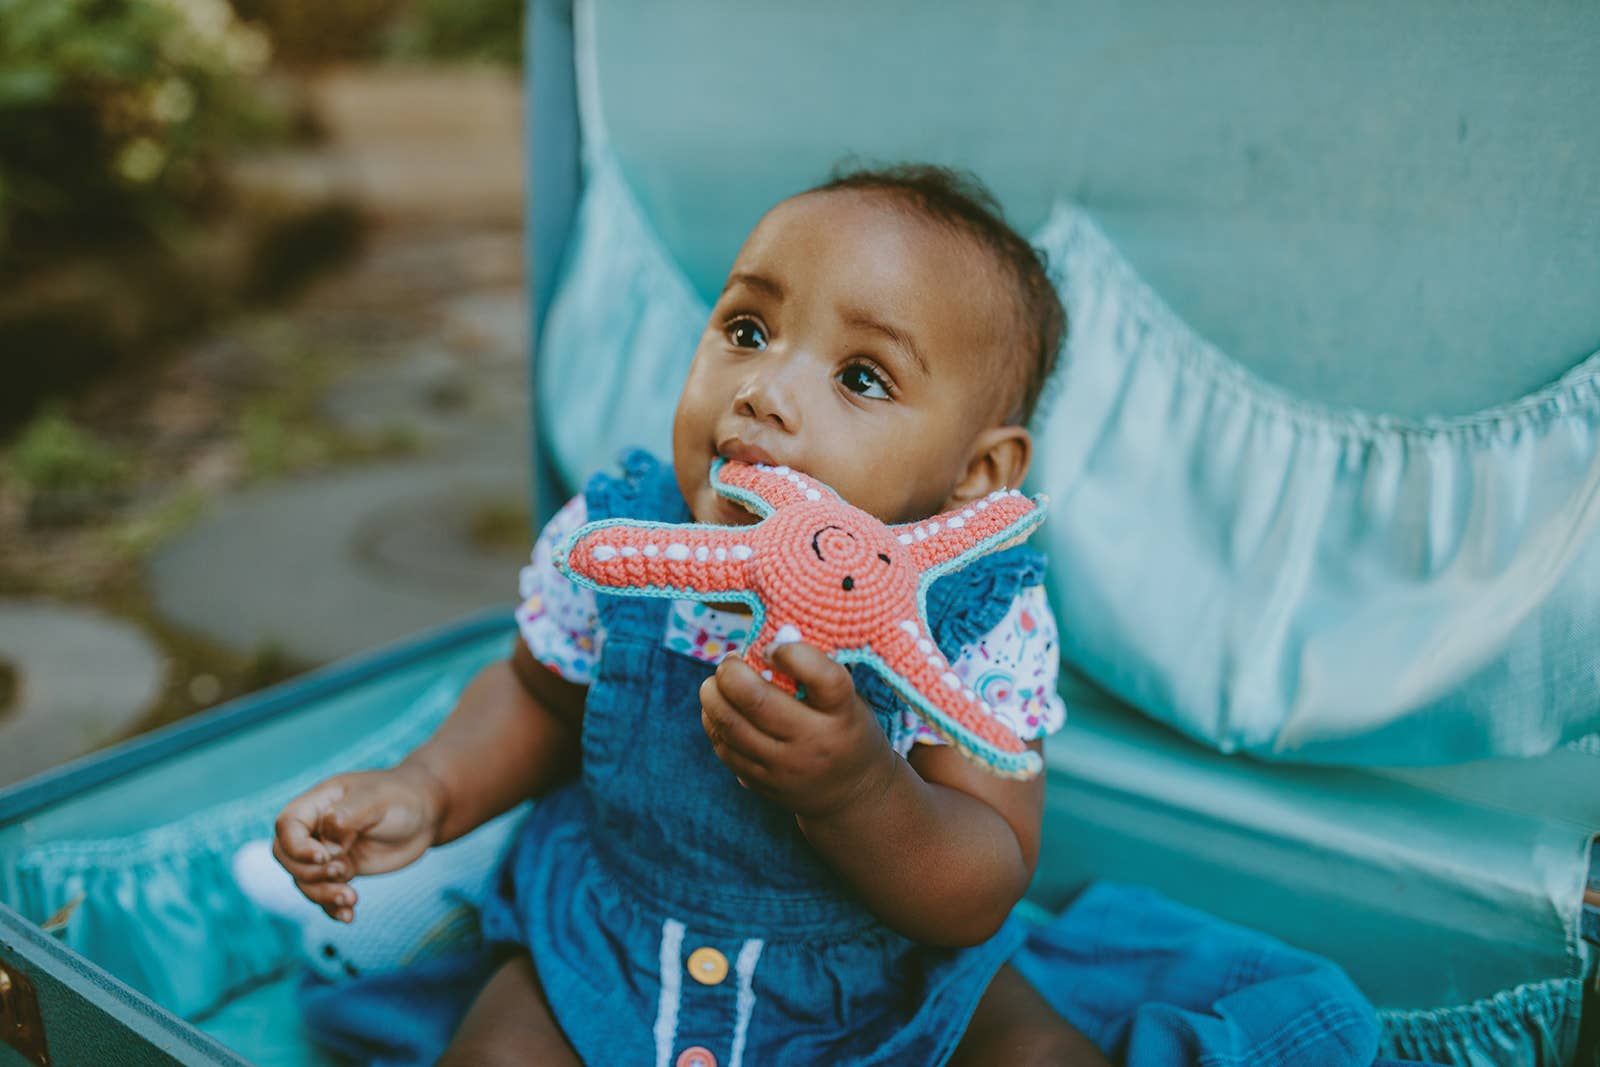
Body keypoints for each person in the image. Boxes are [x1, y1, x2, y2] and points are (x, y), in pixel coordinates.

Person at [272, 164, 1108, 1066]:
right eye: (747, 329)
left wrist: (859, 788)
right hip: (613, 942)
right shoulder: (621, 537)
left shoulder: (977, 616)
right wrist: (426, 788)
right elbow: (536, 698)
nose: (763, 391)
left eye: (862, 377)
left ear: (975, 478)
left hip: (884, 981)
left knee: (1042, 1055)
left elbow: (983, 878)